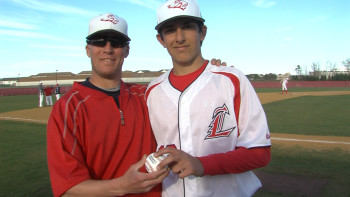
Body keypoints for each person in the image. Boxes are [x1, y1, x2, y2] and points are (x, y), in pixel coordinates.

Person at [145, 0, 272, 196]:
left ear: (202, 32)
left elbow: (259, 153)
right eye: (170, 30)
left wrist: (201, 164)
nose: (179, 37)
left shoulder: (231, 79)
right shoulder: (152, 91)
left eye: (187, 27)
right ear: (161, 39)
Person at [46, 13, 168, 197]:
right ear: (88, 49)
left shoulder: (146, 95)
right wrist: (122, 186)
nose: (108, 49)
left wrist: (211, 71)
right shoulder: (68, 108)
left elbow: (186, 88)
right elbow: (67, 188)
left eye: (116, 42)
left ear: (127, 50)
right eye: (99, 41)